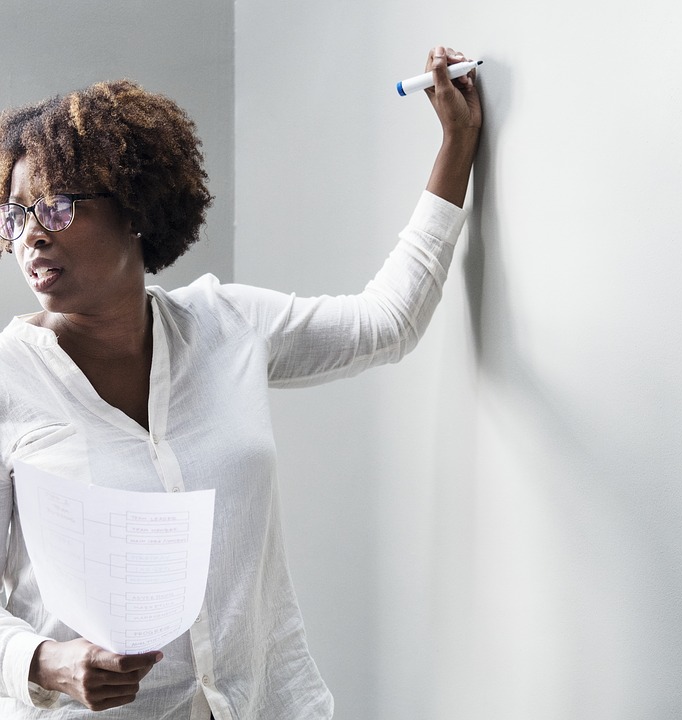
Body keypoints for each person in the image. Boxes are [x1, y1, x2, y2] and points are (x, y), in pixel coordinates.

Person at [0, 45, 481, 718]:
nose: (30, 236)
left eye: (55, 207)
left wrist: (457, 144)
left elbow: (385, 324)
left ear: (134, 207)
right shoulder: (8, 383)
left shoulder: (224, 323)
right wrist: (46, 662)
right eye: (16, 215)